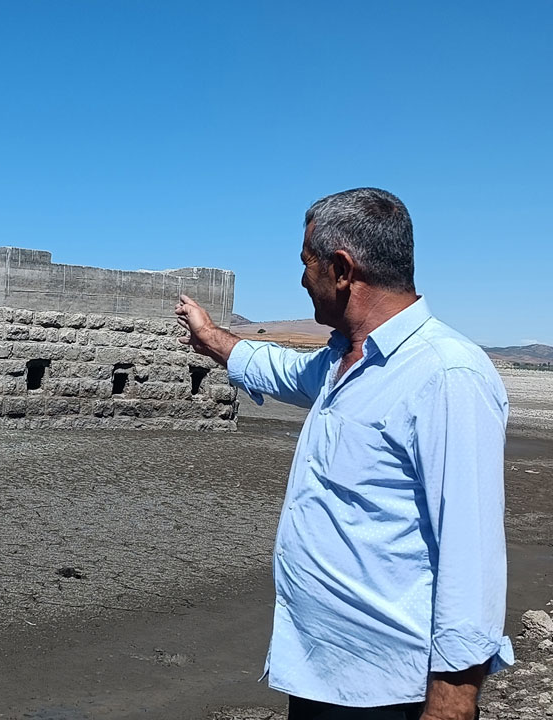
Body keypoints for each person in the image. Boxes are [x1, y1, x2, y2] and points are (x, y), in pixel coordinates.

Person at [174, 188, 511, 720]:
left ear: (341, 268)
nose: (301, 280)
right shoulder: (342, 363)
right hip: (321, 670)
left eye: (305, 264)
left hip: (387, 690)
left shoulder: (447, 376)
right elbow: (278, 370)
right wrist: (212, 337)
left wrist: (452, 701)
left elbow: (472, 552)